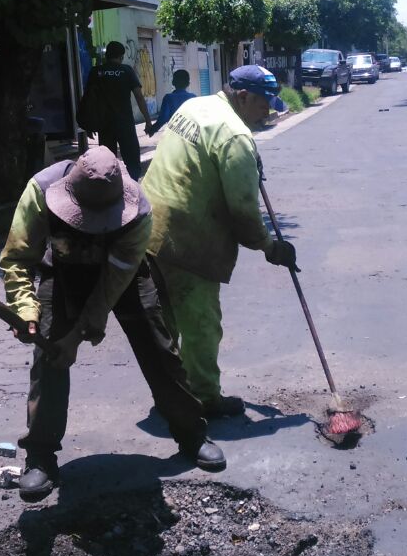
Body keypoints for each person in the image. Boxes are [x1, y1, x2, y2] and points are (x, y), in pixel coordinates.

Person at [0, 146, 226, 502]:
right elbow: (17, 257)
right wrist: (26, 310)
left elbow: (111, 284)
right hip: (63, 269)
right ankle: (40, 455)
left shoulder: (139, 212)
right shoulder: (40, 191)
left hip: (123, 274)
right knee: (50, 354)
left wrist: (80, 332)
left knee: (159, 347)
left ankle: (192, 433)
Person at [140, 66, 296, 419]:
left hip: (149, 227)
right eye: (263, 104)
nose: (267, 112)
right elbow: (243, 211)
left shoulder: (195, 106)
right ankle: (204, 398)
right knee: (200, 324)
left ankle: (170, 393)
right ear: (243, 96)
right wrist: (271, 247)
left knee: (166, 320)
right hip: (188, 240)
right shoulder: (234, 136)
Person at [85, 41, 152, 180]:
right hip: (125, 124)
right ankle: (133, 186)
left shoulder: (96, 72)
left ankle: (111, 188)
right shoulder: (127, 71)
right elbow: (139, 97)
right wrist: (147, 120)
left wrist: (88, 124)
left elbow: (89, 99)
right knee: (132, 162)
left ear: (106, 55)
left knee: (106, 163)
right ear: (121, 56)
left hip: (104, 125)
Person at [146, 70, 196, 137]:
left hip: (175, 135)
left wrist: (152, 129)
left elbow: (163, 119)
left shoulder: (168, 98)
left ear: (173, 82)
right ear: (188, 84)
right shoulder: (193, 97)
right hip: (191, 135)